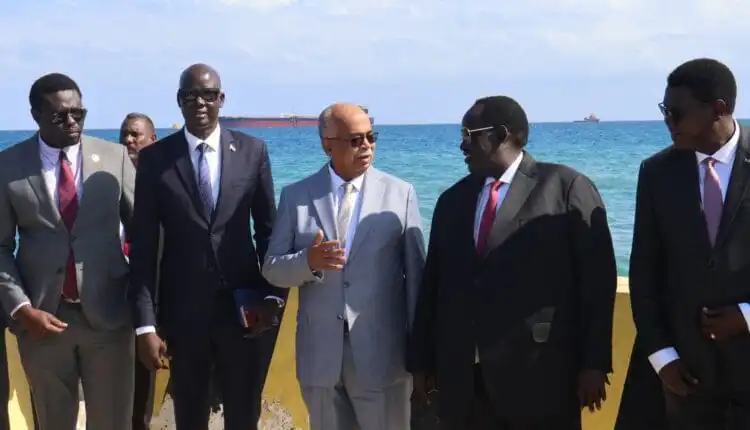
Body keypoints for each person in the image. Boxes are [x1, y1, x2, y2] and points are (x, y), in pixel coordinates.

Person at [409, 96, 618, 430]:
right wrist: (421, 360)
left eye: (468, 134)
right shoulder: (452, 200)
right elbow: (433, 284)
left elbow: (597, 283)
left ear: (501, 135)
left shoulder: (565, 187)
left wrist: (594, 364)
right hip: (463, 382)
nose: (462, 145)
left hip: (540, 376)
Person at [129, 63, 286, 430]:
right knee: (190, 415)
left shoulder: (252, 151)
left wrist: (272, 298)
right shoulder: (155, 160)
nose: (199, 102)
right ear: (179, 101)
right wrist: (145, 325)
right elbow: (144, 248)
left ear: (221, 99)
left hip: (245, 313)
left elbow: (268, 233)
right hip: (183, 315)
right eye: (190, 96)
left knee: (244, 415)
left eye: (208, 95)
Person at [262, 102, 426, 430]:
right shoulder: (297, 196)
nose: (366, 146)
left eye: (371, 137)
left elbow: (416, 279)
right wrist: (308, 262)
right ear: (327, 144)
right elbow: (272, 268)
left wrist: (420, 351)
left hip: (383, 357)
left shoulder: (401, 194)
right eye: (355, 139)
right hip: (320, 359)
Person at [0, 73, 136, 430]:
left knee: (112, 422)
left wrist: (146, 305)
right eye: (60, 116)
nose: (73, 121)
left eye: (79, 113)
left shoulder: (116, 157)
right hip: (42, 322)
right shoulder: (8, 166)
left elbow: (144, 234)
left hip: (110, 318)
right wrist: (22, 309)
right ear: (36, 116)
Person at [627, 58, 750, 430]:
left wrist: (746, 315)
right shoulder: (656, 172)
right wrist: (662, 357)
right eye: (664, 111)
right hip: (687, 376)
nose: (668, 121)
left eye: (676, 112)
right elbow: (644, 271)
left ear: (718, 109)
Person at [119, 112, 160, 430]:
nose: (128, 141)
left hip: (151, 301)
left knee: (142, 395)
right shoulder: (106, 183)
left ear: (153, 140)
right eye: (124, 135)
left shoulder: (164, 185)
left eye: (135, 135)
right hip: (111, 302)